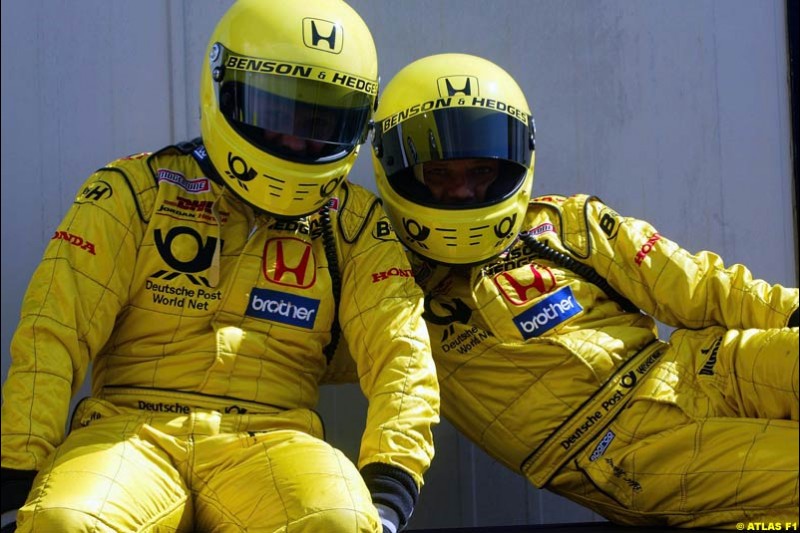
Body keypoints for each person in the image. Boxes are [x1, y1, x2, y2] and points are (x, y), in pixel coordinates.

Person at [0, 1, 440, 532]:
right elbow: (53, 334)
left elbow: (402, 358)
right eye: (278, 113)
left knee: (340, 523)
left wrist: (389, 488)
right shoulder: (134, 191)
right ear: (223, 90)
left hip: (275, 439)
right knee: (64, 523)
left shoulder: (356, 223)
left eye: (320, 119)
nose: (298, 140)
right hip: (126, 431)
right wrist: (16, 476)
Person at [370, 52, 799, 529]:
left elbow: (702, 287)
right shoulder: (385, 281)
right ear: (402, 171)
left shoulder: (564, 223)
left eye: (481, 172)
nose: (464, 192)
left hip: (702, 365)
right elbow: (299, 353)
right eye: (442, 175)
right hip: (620, 448)